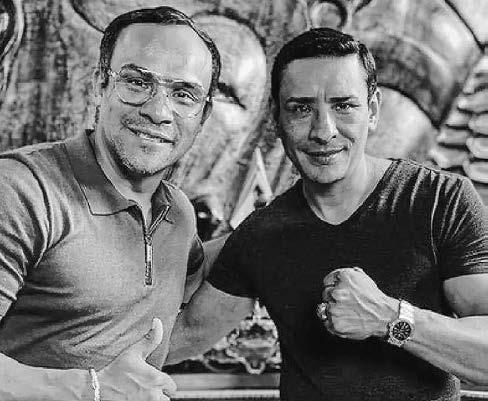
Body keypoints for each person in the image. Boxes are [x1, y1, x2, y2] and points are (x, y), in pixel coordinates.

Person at [167, 28, 488, 401]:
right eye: (301, 108)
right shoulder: (261, 234)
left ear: (372, 110)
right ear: (277, 120)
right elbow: (180, 337)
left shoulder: (440, 200)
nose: (324, 131)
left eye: (344, 105)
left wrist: (390, 318)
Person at [0, 6, 220, 401]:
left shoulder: (179, 214)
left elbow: (195, 281)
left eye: (183, 94)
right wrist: (90, 389)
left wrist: (279, 229)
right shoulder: (20, 190)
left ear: (203, 115)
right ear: (99, 85)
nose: (158, 111)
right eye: (136, 82)